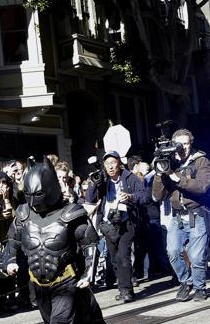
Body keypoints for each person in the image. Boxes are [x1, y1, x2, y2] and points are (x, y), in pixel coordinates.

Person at [3, 157, 122, 324]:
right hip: (37, 285)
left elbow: (90, 245)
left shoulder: (71, 213)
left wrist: (88, 274)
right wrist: (9, 261)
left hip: (65, 281)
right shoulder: (23, 214)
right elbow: (12, 242)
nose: (35, 202)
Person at [152, 128, 210, 302]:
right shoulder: (170, 163)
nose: (182, 147)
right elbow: (158, 195)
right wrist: (159, 173)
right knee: (173, 251)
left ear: (191, 144)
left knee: (197, 256)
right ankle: (186, 282)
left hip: (197, 213)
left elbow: (202, 187)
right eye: (179, 144)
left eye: (186, 144)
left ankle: (200, 287)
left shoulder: (201, 161)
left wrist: (177, 178)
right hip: (177, 216)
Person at [85, 151, 148, 303]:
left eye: (113, 163)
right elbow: (90, 199)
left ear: (119, 164)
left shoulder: (130, 178)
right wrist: (93, 183)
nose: (111, 166)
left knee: (123, 256)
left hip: (126, 223)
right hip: (108, 224)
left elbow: (145, 196)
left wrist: (131, 197)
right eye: (107, 164)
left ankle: (126, 290)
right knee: (114, 259)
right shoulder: (103, 180)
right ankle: (122, 287)